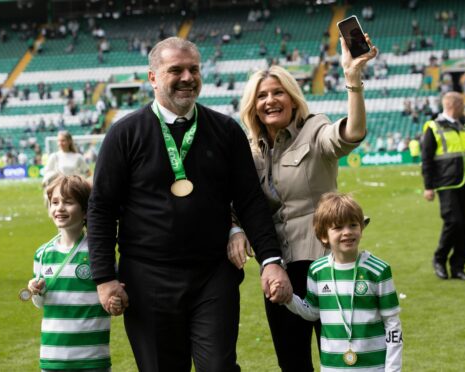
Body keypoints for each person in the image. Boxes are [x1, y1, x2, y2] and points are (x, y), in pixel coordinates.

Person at [87, 36, 292, 371]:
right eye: (176, 70)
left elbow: (250, 201)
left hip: (212, 275)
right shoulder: (124, 134)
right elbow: (102, 209)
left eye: (193, 69)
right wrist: (104, 277)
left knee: (219, 367)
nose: (187, 77)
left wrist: (271, 260)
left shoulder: (225, 130)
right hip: (146, 277)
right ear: (152, 78)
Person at [228, 33, 377, 371]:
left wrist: (353, 81)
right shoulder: (249, 153)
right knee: (292, 362)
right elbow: (234, 204)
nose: (270, 100)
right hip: (279, 269)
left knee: (343, 360)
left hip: (327, 265)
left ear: (293, 98)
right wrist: (234, 229)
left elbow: (350, 134)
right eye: (262, 95)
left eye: (278, 92)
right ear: (252, 106)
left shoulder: (315, 129)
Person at [283, 192, 403, 371]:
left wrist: (393, 369)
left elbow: (393, 324)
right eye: (338, 227)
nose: (347, 232)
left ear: (361, 228)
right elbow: (312, 311)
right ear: (324, 235)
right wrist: (289, 299)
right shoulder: (317, 271)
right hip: (332, 368)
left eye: (353, 225)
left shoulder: (378, 270)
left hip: (374, 367)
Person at [27, 175, 122, 371]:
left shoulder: (100, 253)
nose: (59, 208)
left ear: (86, 211)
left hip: (92, 357)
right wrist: (35, 291)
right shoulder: (43, 254)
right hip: (53, 356)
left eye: (68, 202)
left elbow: (113, 296)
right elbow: (40, 303)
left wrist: (115, 303)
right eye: (55, 202)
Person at [422, 91, 465, 281]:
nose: (464, 109)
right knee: (454, 222)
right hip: (446, 184)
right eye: (462, 105)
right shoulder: (433, 127)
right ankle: (439, 259)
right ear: (454, 105)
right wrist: (428, 186)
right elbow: (426, 159)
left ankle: (458, 267)